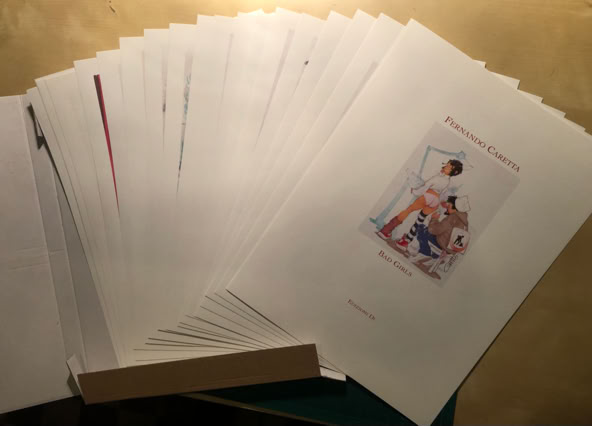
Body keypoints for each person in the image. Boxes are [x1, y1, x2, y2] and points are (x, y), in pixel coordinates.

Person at [377, 159, 464, 248]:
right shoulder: (447, 181)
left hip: (428, 196)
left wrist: (415, 191)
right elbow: (442, 193)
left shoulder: (437, 178)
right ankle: (405, 242)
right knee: (420, 220)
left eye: (449, 167)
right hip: (435, 201)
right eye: (447, 165)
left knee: (409, 210)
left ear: (454, 172)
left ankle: (385, 231)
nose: (446, 166)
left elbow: (426, 186)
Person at [414, 195, 470, 259]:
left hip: (443, 246)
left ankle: (425, 253)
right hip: (452, 250)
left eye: (449, 205)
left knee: (421, 228)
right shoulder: (464, 220)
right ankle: (434, 256)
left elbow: (434, 230)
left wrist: (434, 219)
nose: (447, 208)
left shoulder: (452, 217)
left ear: (455, 207)